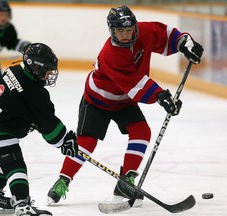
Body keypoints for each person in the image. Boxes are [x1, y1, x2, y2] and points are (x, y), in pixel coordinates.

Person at [46, 5, 203, 206]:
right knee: (86, 143)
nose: (126, 36)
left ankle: (126, 181)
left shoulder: (144, 32)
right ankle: (63, 180)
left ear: (135, 27)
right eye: (121, 31)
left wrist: (185, 43)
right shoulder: (110, 54)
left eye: (129, 30)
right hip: (97, 100)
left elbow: (166, 35)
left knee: (142, 132)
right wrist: (162, 97)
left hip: (124, 100)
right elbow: (135, 83)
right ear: (112, 31)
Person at [0, 43, 78, 216]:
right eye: (46, 71)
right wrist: (64, 140)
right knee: (14, 162)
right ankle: (22, 206)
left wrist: (30, 120)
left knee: (3, 160)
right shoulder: (34, 92)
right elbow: (49, 126)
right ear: (35, 67)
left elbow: (17, 106)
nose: (49, 76)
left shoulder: (13, 71)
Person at [0, 0, 31, 86]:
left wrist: (26, 47)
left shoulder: (9, 29)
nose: (4, 18)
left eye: (6, 15)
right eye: (1, 15)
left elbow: (13, 43)